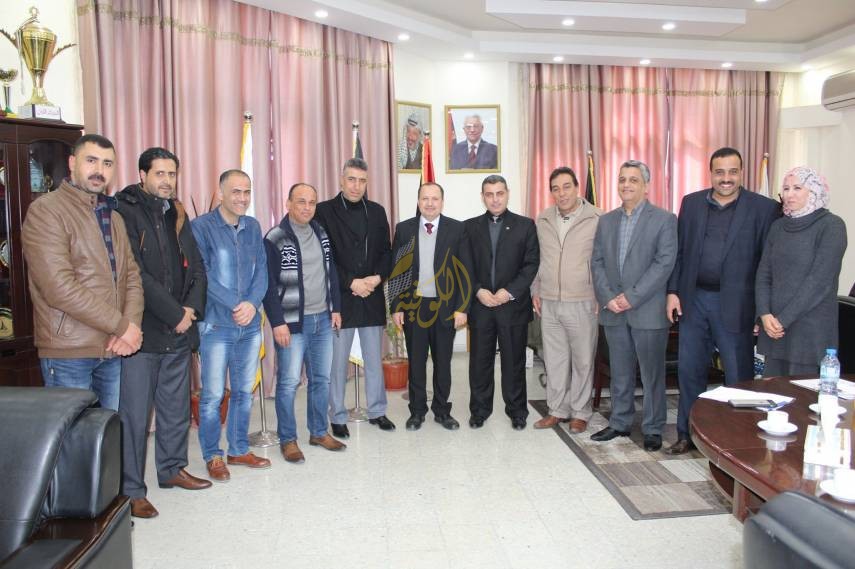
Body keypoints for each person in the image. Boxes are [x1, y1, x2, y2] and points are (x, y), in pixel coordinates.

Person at [115, 147, 211, 518]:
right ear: (142, 175)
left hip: (179, 330)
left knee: (175, 409)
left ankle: (171, 469)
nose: (167, 181)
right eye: (160, 174)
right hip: (142, 333)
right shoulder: (124, 211)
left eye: (172, 174)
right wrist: (174, 314)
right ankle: (131, 490)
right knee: (135, 417)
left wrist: (190, 311)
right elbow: (134, 273)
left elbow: (197, 267)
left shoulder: (178, 212)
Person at [664, 147, 779, 455]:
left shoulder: (764, 208)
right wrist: (673, 291)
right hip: (694, 301)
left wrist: (762, 310)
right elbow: (680, 253)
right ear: (711, 173)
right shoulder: (691, 203)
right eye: (719, 172)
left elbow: (767, 265)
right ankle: (687, 434)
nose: (726, 178)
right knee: (690, 371)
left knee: (738, 376)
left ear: (741, 172)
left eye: (732, 172)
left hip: (737, 305)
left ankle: (738, 440)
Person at [21, 134, 143, 411]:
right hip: (69, 353)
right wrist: (122, 326)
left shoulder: (113, 216)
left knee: (107, 433)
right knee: (72, 435)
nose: (99, 170)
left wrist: (130, 327)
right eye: (91, 161)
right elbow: (58, 287)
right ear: (72, 162)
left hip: (112, 348)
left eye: (107, 164)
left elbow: (132, 277)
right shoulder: (46, 211)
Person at [590, 160, 677, 452]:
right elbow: (597, 261)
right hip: (613, 309)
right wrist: (607, 297)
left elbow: (664, 264)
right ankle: (619, 421)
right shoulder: (606, 221)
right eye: (622, 179)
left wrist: (632, 297)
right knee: (620, 371)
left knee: (652, 374)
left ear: (646, 186)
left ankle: (653, 427)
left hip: (647, 310)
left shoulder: (664, 220)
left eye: (633, 180)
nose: (626, 185)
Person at [191, 169, 270, 482]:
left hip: (249, 325)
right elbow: (203, 275)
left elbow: (261, 271)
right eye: (236, 191)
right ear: (221, 192)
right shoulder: (201, 227)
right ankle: (213, 455)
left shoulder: (253, 226)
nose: (242, 198)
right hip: (216, 326)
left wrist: (251, 304)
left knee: (243, 392)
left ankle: (238, 449)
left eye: (247, 192)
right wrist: (237, 305)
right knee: (212, 396)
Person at [262, 183, 346, 463]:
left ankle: (319, 432)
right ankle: (288, 439)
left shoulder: (320, 232)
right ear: (288, 203)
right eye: (301, 201)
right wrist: (277, 323)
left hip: (323, 318)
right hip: (291, 323)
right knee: (288, 383)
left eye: (312, 202)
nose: (307, 207)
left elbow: (331, 272)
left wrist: (335, 308)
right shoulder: (274, 238)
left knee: (321, 379)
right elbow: (268, 285)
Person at [315, 158, 395, 437]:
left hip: (371, 295)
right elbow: (323, 256)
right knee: (337, 363)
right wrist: (351, 282)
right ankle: (337, 415)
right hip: (341, 298)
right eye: (351, 179)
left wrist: (377, 278)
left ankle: (378, 411)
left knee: (374, 360)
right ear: (341, 179)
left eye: (361, 181)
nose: (356, 186)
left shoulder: (377, 211)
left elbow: (387, 252)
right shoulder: (324, 211)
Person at [390, 182, 471, 430]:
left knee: (442, 363)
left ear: (442, 202)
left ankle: (442, 411)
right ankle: (416, 412)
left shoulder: (457, 229)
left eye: (435, 199)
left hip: (445, 308)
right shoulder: (404, 229)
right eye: (425, 198)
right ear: (418, 202)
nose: (430, 203)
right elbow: (397, 270)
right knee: (416, 363)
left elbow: (466, 271)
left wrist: (462, 307)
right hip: (414, 308)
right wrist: (397, 306)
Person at [756, 166, 847, 376]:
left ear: (814, 190)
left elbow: (819, 282)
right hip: (774, 328)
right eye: (786, 188)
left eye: (797, 188)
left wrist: (783, 320)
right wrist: (764, 314)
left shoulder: (831, 226)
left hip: (809, 330)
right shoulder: (778, 227)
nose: (789, 194)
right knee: (772, 392)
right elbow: (764, 274)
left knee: (802, 394)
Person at [464, 175, 539, 430]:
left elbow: (531, 265)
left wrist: (510, 292)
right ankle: (479, 411)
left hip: (513, 307)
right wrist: (477, 291)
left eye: (499, 193)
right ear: (482, 197)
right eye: (489, 194)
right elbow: (464, 266)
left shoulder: (526, 226)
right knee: (479, 364)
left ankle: (517, 412)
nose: (495, 199)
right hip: (481, 307)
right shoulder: (469, 227)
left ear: (507, 193)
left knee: (514, 363)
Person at [532, 166, 602, 434]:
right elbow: (539, 258)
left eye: (566, 187)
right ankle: (557, 410)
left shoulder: (597, 218)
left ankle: (580, 412)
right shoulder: (543, 219)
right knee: (554, 360)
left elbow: (603, 260)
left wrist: (600, 294)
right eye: (555, 189)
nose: (561, 193)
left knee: (583, 360)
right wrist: (536, 289)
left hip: (583, 300)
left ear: (576, 187)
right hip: (549, 300)